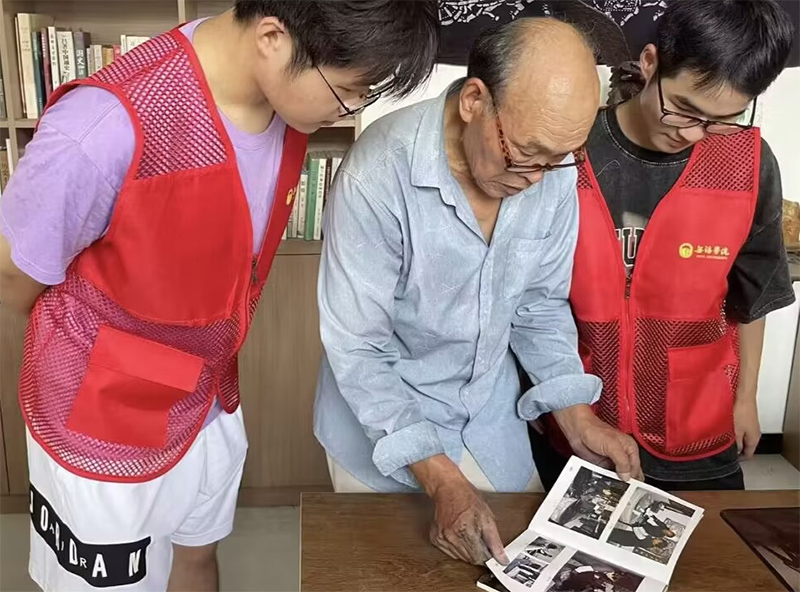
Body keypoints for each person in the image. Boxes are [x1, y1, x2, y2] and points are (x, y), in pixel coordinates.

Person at [0, 2, 440, 591]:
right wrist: (109, 345)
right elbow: (16, 277)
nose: (353, 109)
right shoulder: (104, 126)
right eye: (348, 92)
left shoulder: (280, 102)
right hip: (100, 413)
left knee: (197, 555)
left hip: (207, 394)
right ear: (273, 37)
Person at [313, 17, 643, 568]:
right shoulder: (378, 172)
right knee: (398, 574)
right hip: (380, 428)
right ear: (474, 101)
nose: (537, 177)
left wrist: (575, 414)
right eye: (525, 153)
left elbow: (539, 307)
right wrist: (441, 478)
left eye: (559, 157)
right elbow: (359, 349)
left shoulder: (553, 167)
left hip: (490, 419)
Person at [537, 0, 797, 491]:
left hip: (697, 419)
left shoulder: (746, 164)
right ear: (651, 63)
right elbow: (529, 296)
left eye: (722, 119)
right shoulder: (572, 147)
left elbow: (753, 296)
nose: (694, 134)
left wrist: (746, 398)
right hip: (582, 415)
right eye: (684, 109)